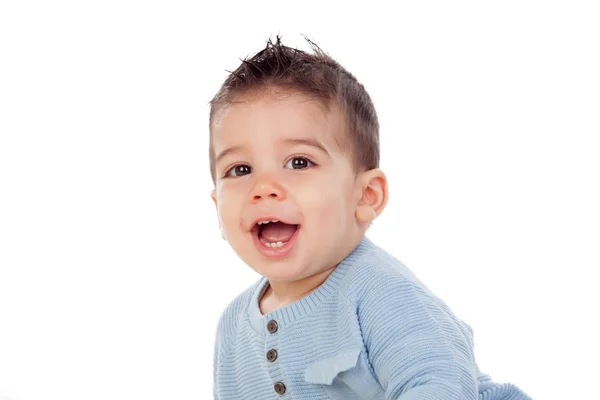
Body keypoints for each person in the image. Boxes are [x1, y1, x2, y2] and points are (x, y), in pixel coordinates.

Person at [208, 35, 531, 399]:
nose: (264, 187)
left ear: (365, 197)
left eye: (299, 162)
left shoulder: (379, 290)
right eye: (240, 169)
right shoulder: (233, 328)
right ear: (217, 206)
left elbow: (442, 383)